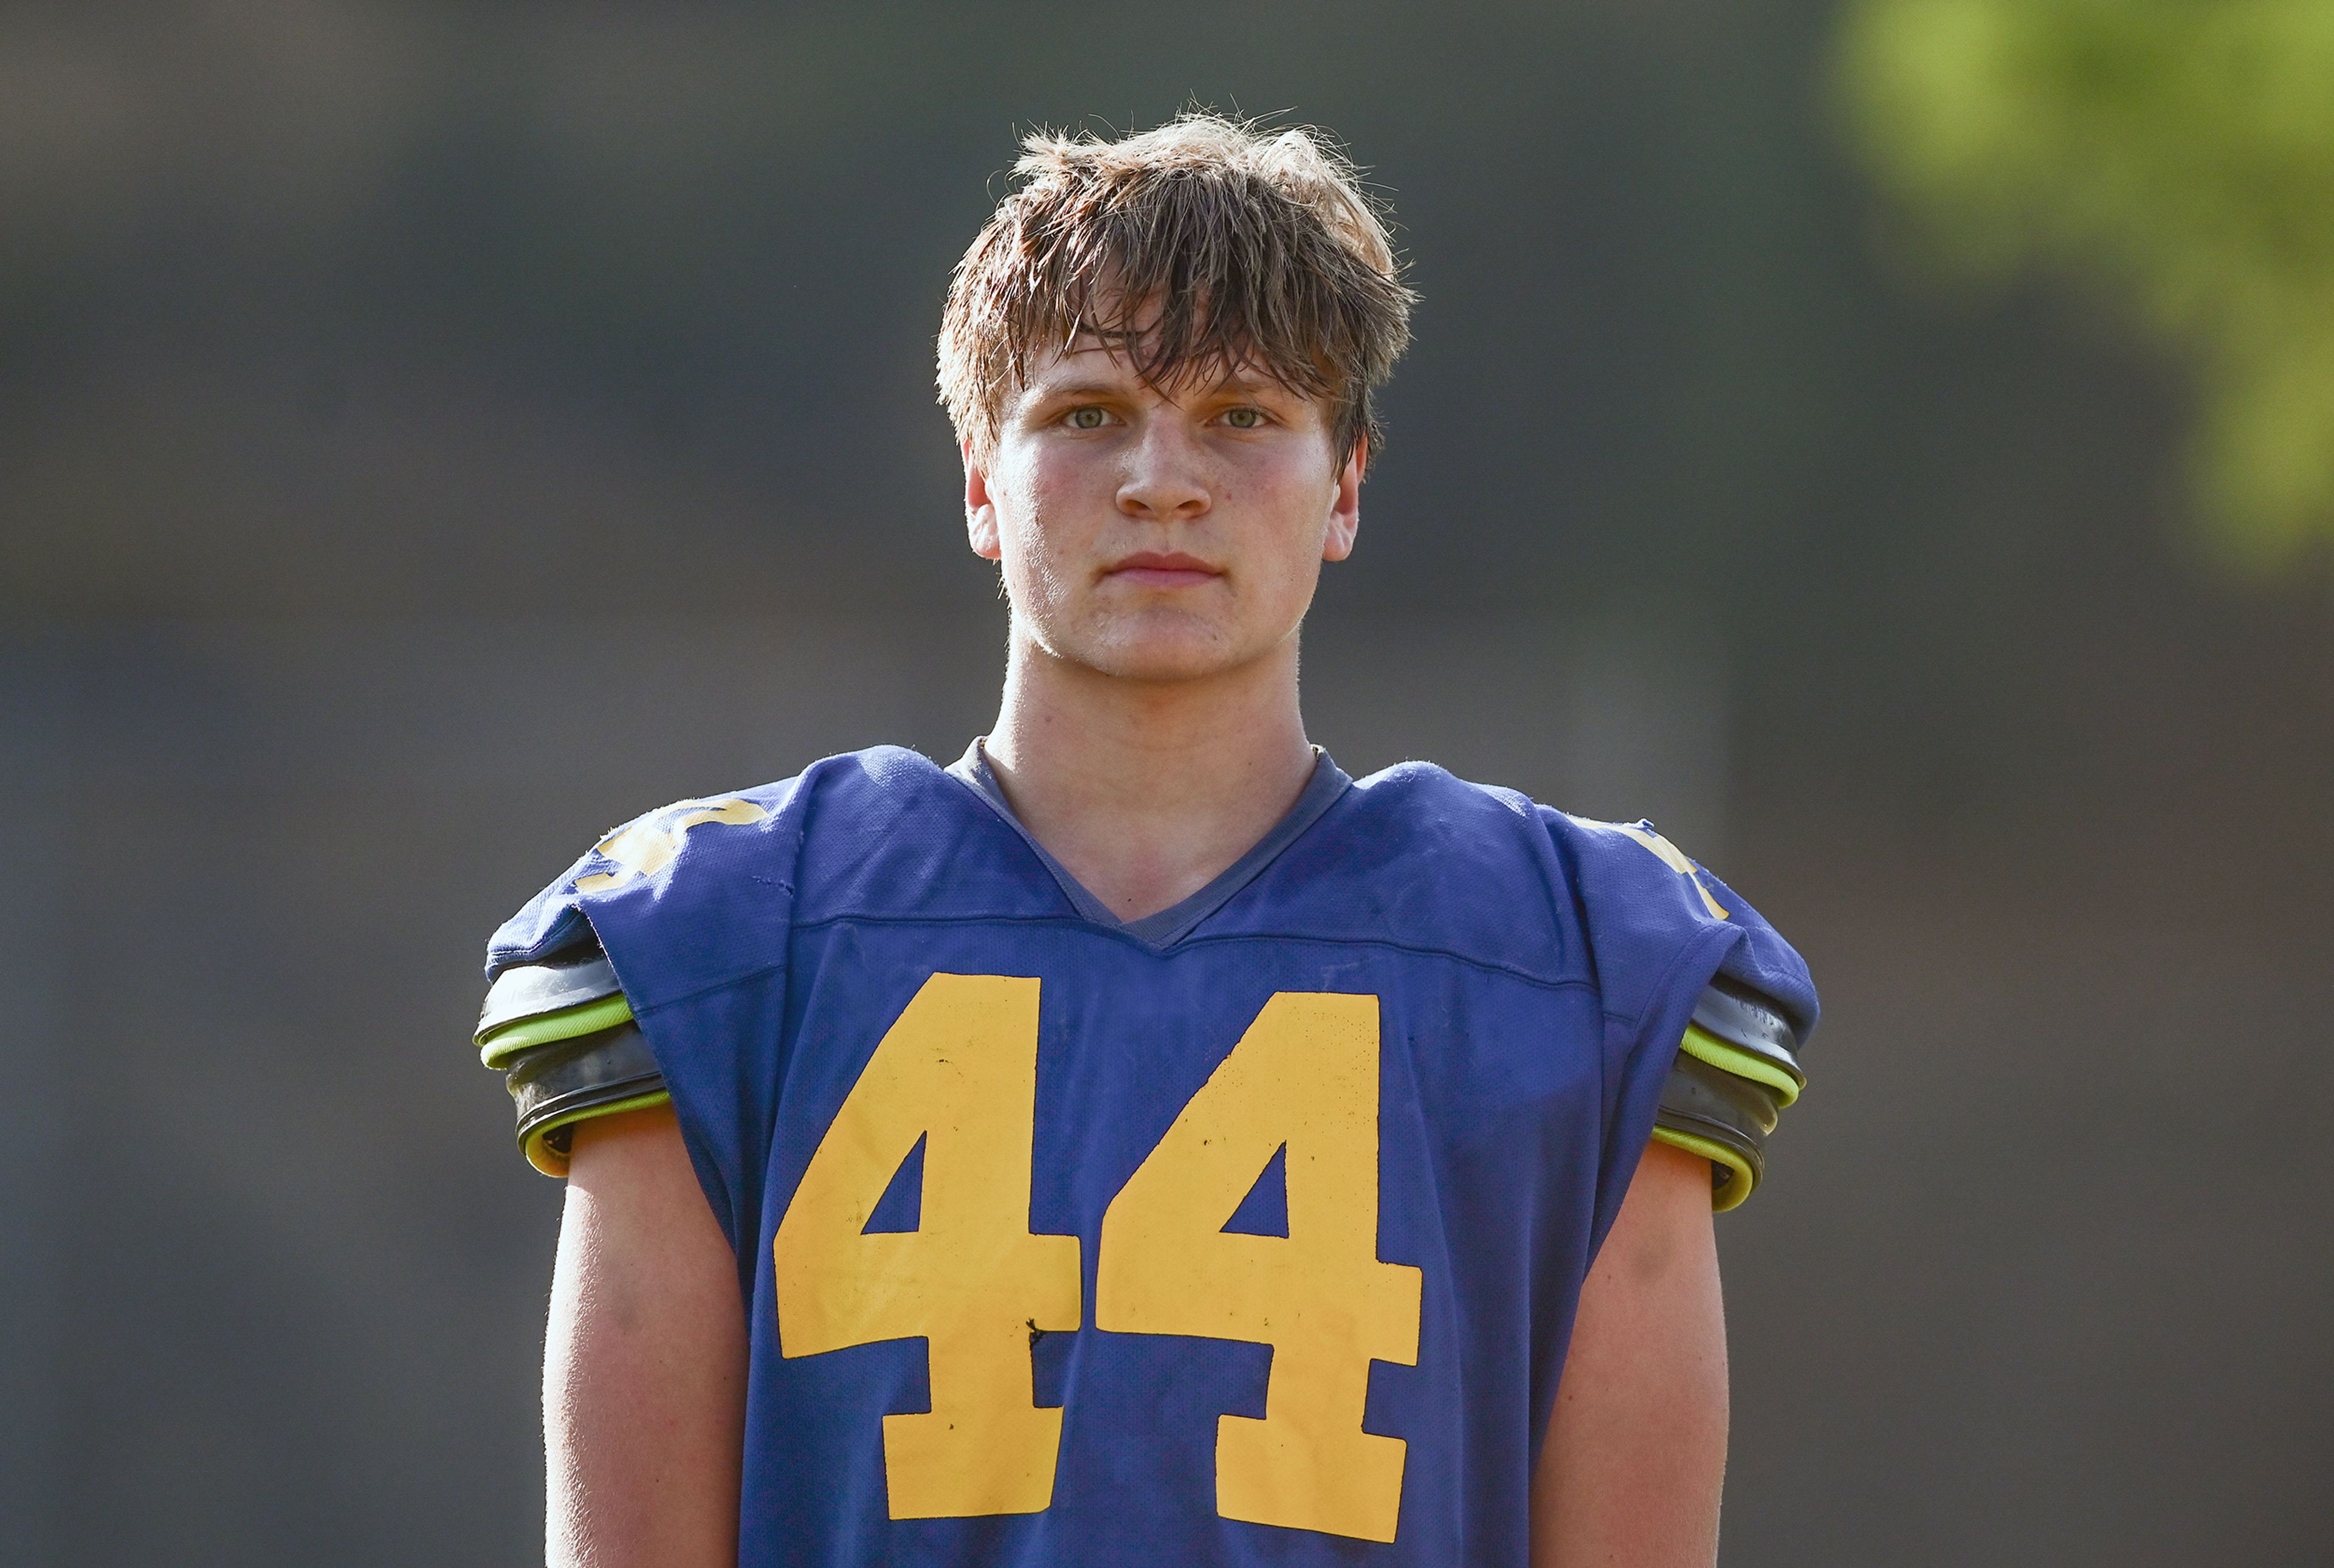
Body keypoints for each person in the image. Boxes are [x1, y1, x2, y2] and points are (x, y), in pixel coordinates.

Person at [475, 112, 1817, 1568]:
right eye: (1087, 412)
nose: (1160, 480)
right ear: (983, 481)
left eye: (1243, 414)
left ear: (1347, 484)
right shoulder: (731, 943)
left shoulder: (1573, 965)